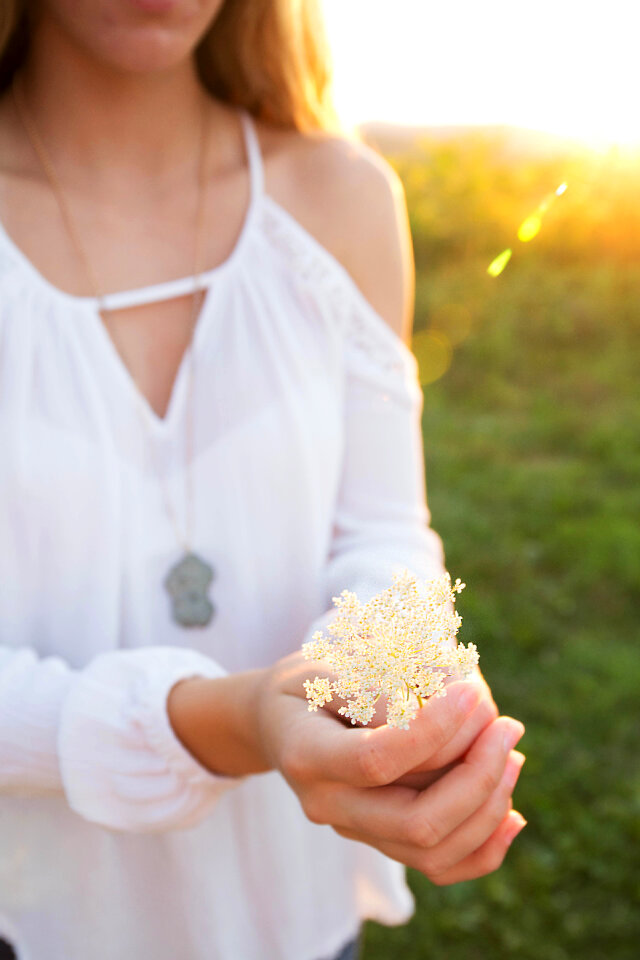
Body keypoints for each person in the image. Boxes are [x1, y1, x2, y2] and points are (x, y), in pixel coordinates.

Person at [0, 2, 526, 959]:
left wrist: (392, 702)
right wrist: (236, 721)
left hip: (288, 912)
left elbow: (385, 541)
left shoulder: (340, 198)